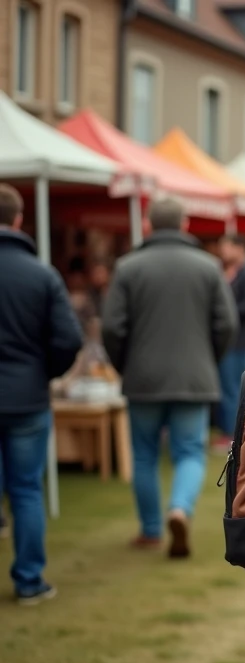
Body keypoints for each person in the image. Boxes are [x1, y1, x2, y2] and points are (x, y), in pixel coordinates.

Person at [102, 198, 237, 558]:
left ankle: (150, 529)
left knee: (144, 455)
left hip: (142, 377)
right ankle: (179, 509)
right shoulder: (209, 267)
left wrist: (123, 365)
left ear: (148, 225)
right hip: (194, 376)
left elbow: (112, 327)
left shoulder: (127, 267)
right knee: (189, 451)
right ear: (185, 223)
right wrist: (208, 359)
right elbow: (227, 324)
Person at [0, 183, 82, 604]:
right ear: (18, 219)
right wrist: (43, 372)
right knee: (27, 490)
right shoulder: (41, 273)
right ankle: (29, 580)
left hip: (25, 389)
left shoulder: (40, 273)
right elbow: (69, 338)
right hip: (27, 395)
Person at [214, 233, 245, 449]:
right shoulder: (237, 271)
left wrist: (227, 314)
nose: (222, 251)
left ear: (239, 248)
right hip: (234, 340)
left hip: (238, 341)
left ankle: (233, 436)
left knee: (233, 388)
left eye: (226, 247)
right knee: (233, 388)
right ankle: (234, 434)